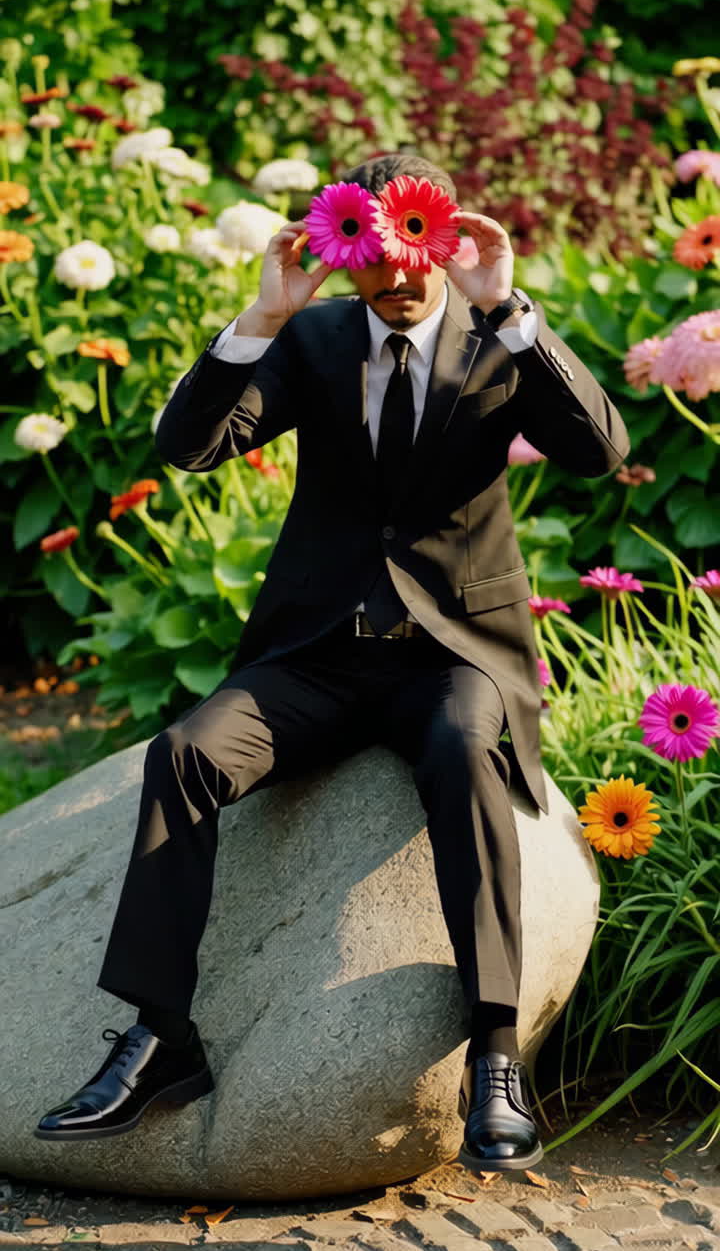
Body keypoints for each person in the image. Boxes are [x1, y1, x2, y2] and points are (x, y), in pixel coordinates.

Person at [35, 153, 630, 1172]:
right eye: (370, 257)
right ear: (343, 244)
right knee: (182, 754)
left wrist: (512, 308)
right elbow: (189, 445)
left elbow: (599, 450)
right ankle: (159, 1040)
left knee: (465, 748)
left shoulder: (499, 337)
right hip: (315, 657)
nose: (394, 279)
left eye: (413, 253)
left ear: (437, 236)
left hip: (453, 654)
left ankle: (493, 1056)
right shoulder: (309, 335)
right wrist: (260, 318)